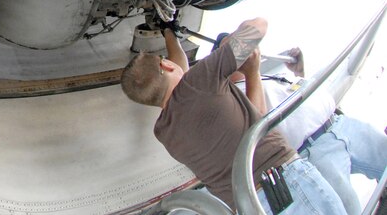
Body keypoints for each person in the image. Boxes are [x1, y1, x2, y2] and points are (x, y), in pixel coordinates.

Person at [120, 18, 347, 214]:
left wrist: (169, 32)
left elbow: (180, 79)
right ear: (166, 65)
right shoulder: (201, 80)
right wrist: (251, 68)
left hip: (251, 205)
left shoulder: (164, 132)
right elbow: (258, 26)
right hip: (287, 184)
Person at [233, 48, 387, 215]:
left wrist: (298, 73)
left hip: (338, 123)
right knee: (349, 210)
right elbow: (257, 124)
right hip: (314, 149)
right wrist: (252, 71)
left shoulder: (265, 77)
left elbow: (293, 100)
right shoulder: (235, 95)